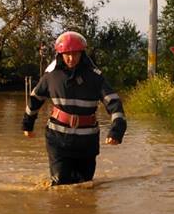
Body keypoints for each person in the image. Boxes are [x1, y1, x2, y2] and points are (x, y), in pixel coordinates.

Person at [22, 31, 127, 185]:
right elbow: (35, 100)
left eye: (76, 54)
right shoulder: (51, 77)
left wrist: (117, 131)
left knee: (84, 185)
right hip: (58, 139)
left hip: (87, 142)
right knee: (60, 183)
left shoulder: (95, 77)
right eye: (67, 54)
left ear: (82, 54)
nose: (71, 58)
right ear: (60, 55)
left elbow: (114, 103)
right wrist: (27, 125)